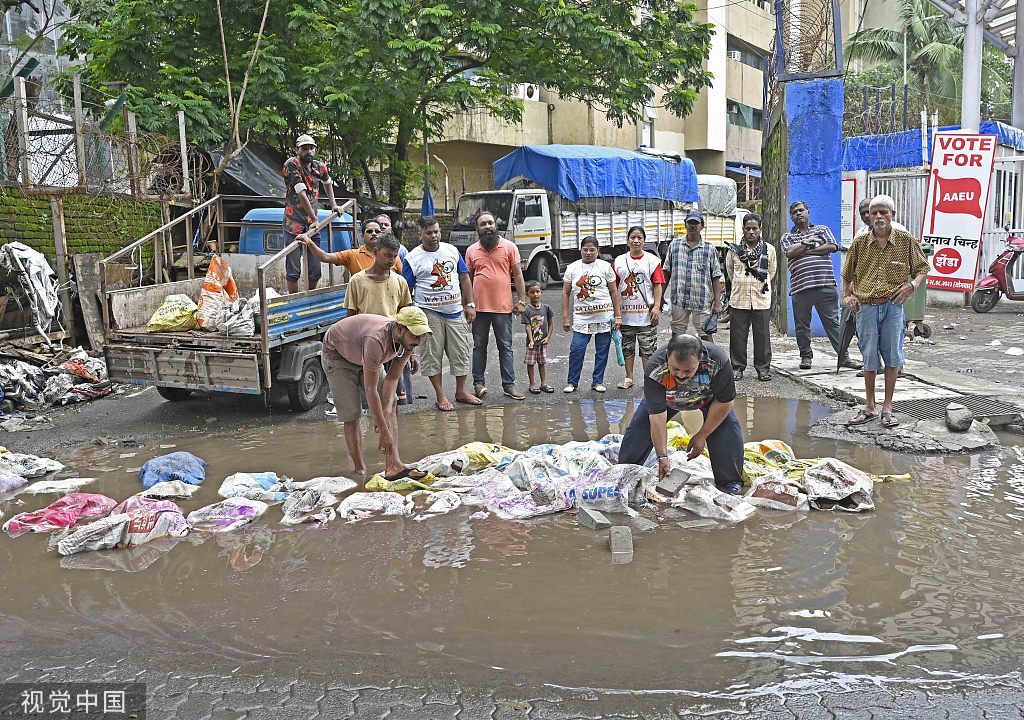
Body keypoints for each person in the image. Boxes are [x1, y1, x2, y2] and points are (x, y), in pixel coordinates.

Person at [842, 194, 929, 428]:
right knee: (869, 358)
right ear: (868, 216)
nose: (879, 216)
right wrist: (847, 295)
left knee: (893, 357)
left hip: (893, 307)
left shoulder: (905, 240)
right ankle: (870, 406)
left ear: (893, 215)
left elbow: (922, 267)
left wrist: (912, 285)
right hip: (866, 307)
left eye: (884, 212)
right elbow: (847, 274)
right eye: (874, 213)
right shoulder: (860, 242)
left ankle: (887, 408)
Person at [617, 333, 744, 494]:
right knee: (639, 430)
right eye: (675, 369)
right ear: (667, 357)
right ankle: (627, 473)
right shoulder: (655, 367)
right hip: (668, 400)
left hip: (707, 399)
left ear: (700, 359)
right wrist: (662, 456)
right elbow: (657, 418)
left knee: (727, 430)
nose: (681, 375)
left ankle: (730, 481)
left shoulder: (717, 361)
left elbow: (725, 402)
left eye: (688, 370)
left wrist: (702, 435)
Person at [320, 306, 432, 479]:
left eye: (421, 336)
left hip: (365, 354)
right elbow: (371, 389)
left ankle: (394, 465)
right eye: (415, 335)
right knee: (351, 414)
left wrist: (385, 414)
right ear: (400, 329)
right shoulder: (376, 339)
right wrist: (382, 428)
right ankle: (359, 470)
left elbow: (392, 379)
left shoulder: (408, 343)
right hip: (338, 356)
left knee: (392, 403)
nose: (418, 341)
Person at [402, 215, 482, 411]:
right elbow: (406, 289)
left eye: (436, 231)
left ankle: (461, 391)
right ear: (420, 234)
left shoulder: (452, 250)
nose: (434, 236)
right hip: (429, 313)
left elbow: (464, 277)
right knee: (432, 356)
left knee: (461, 353)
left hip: (455, 311)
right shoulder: (412, 258)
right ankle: (440, 396)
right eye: (429, 233)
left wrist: (470, 304)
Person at [781, 201, 862, 371]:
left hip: (825, 285)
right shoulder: (787, 237)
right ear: (791, 216)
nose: (798, 213)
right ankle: (806, 357)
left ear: (808, 211)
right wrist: (809, 242)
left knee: (833, 324)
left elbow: (832, 246)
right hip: (800, 288)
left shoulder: (822, 229)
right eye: (794, 212)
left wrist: (803, 250)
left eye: (801, 210)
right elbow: (789, 252)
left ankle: (844, 357)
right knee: (802, 326)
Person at [466, 212, 527, 400]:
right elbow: (466, 279)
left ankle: (509, 386)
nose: (487, 226)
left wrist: (522, 301)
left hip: (503, 308)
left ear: (496, 224)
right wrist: (468, 304)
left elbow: (517, 275)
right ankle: (478, 384)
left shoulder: (509, 247)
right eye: (483, 224)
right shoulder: (471, 250)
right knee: (479, 346)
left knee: (505, 347)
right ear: (477, 228)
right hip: (479, 309)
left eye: (490, 222)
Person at [281, 134, 342, 294]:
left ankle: (309, 300)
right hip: (294, 222)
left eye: (311, 148)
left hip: (312, 224)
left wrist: (334, 205)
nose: (308, 151)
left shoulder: (319, 167)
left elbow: (328, 184)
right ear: (297, 150)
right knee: (293, 269)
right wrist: (315, 219)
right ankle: (294, 301)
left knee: (315, 269)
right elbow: (301, 193)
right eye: (304, 148)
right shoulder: (291, 164)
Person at [561, 236, 621, 393]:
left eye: (592, 250)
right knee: (577, 349)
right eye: (585, 250)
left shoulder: (605, 267)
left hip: (604, 317)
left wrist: (618, 315)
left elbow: (614, 292)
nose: (588, 253)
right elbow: (566, 293)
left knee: (602, 351)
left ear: (598, 251)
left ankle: (598, 381)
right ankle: (572, 382)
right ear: (580, 250)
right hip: (582, 318)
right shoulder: (572, 268)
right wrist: (565, 317)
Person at [613, 225, 666, 389]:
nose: (636, 241)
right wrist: (615, 313)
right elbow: (613, 287)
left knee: (648, 349)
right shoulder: (619, 261)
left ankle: (649, 380)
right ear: (627, 241)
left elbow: (658, 284)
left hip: (646, 315)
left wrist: (657, 306)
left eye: (639, 238)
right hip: (626, 314)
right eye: (632, 238)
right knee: (627, 348)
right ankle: (628, 378)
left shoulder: (652, 260)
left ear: (644, 241)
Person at [727, 213, 776, 381]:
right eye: (748, 228)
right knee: (738, 336)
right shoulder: (733, 250)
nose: (751, 232)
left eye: (755, 228)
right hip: (739, 299)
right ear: (743, 230)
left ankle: (763, 369)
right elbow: (730, 272)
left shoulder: (769, 250)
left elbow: (771, 272)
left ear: (760, 230)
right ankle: (737, 368)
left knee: (762, 336)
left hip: (761, 300)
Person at [663, 210, 724, 340]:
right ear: (685, 224)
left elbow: (716, 276)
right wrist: (660, 297)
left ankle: (708, 360)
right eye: (690, 222)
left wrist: (717, 303)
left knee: (706, 335)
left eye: (696, 223)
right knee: (677, 336)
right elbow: (666, 271)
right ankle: (676, 361)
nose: (692, 226)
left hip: (701, 300)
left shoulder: (709, 248)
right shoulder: (675, 245)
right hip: (679, 299)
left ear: (702, 226)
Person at [301, 219, 402, 276]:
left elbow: (403, 281)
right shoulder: (352, 255)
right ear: (362, 236)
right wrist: (310, 243)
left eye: (377, 231)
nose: (374, 234)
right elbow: (325, 257)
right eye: (370, 231)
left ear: (382, 234)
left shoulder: (392, 256)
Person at [522, 280, 555, 394]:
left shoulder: (546, 308)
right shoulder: (526, 309)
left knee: (542, 362)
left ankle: (543, 383)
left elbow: (550, 324)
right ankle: (532, 384)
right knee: (530, 363)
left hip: (543, 342)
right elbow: (527, 326)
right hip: (532, 344)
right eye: (532, 292)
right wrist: (531, 340)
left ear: (541, 292)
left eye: (537, 292)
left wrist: (548, 338)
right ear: (527, 294)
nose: (535, 294)